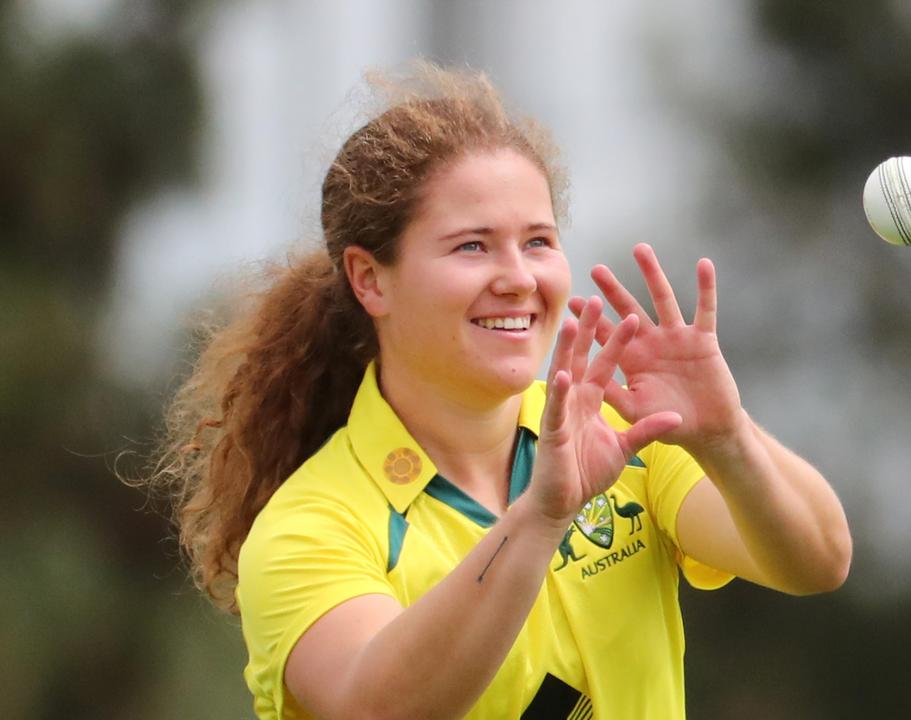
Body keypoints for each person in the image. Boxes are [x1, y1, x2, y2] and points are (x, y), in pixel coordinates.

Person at [146, 64, 851, 720]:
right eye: (472, 247)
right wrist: (538, 519)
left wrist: (727, 437)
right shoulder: (311, 524)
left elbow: (818, 559)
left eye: (539, 241)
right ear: (370, 280)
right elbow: (379, 705)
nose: (518, 277)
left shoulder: (622, 435)